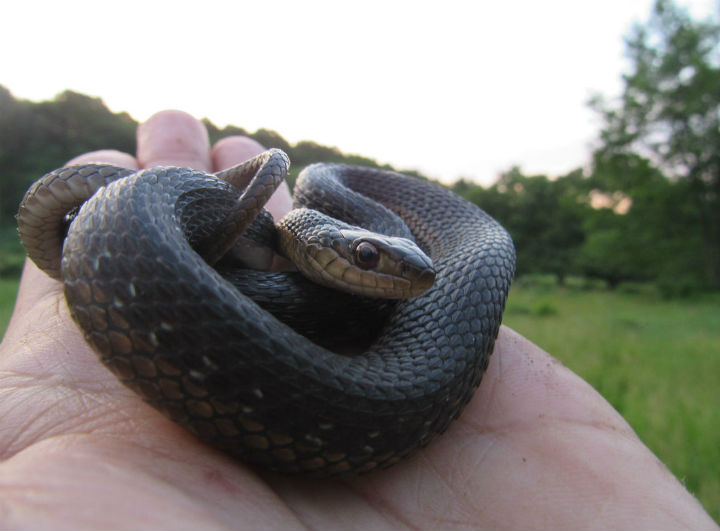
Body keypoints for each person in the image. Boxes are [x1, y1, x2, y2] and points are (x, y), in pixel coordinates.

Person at [0, 110, 715, 530]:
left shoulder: (421, 251)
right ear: (321, 239)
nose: (405, 277)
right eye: (371, 258)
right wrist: (142, 231)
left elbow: (423, 267)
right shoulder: (306, 207)